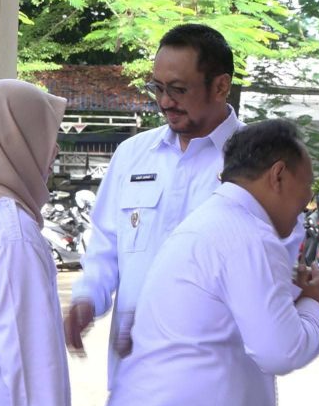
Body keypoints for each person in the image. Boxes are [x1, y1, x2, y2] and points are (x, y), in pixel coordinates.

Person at [106, 120, 319, 406]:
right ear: (278, 175)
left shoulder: (214, 220)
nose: (307, 200)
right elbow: (281, 352)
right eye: (307, 185)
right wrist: (317, 303)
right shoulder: (251, 236)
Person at [64, 23, 247, 386]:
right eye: (158, 88)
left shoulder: (260, 161)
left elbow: (272, 270)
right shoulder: (133, 154)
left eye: (178, 89)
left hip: (216, 379)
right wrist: (87, 299)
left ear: (220, 86)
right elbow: (106, 249)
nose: (164, 102)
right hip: (135, 374)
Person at [0, 80, 70, 406]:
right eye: (44, 134)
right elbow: (32, 364)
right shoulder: (9, 232)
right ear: (16, 139)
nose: (53, 151)